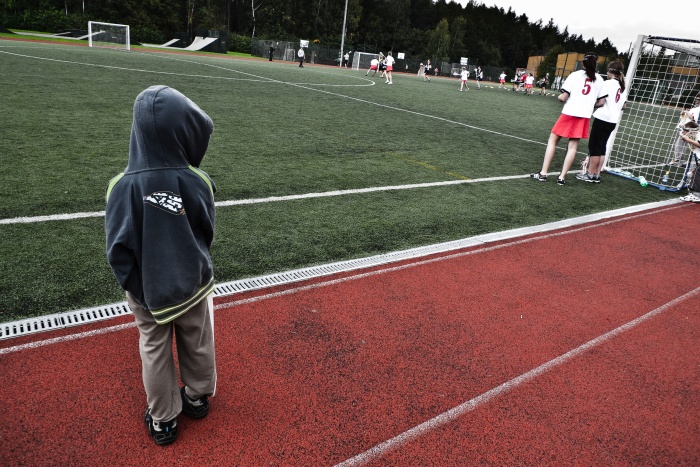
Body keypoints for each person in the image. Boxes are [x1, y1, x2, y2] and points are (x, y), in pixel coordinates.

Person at [105, 85, 218, 446]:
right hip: (192, 285)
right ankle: (197, 397)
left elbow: (117, 249)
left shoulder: (120, 187)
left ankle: (163, 419)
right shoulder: (197, 180)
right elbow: (206, 230)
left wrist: (137, 288)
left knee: (153, 348)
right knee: (197, 340)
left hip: (147, 290)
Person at [531, 52, 607, 185]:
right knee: (573, 147)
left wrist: (559, 98)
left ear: (583, 63)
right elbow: (601, 102)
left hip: (569, 112)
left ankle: (543, 173)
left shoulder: (575, 75)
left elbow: (563, 97)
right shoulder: (600, 79)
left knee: (552, 141)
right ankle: (562, 178)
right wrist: (588, 105)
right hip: (584, 116)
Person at [576, 61, 627, 183]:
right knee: (602, 147)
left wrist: (590, 106)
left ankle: (590, 174)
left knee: (594, 147)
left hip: (602, 118)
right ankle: (597, 175)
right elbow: (624, 106)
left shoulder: (607, 83)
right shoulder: (622, 86)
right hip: (613, 121)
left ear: (610, 71)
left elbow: (601, 102)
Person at [667, 94, 700, 165]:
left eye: (698, 100)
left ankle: (678, 160)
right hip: (687, 129)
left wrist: (688, 114)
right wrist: (684, 114)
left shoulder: (698, 110)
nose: (696, 101)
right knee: (681, 145)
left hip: (692, 130)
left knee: (681, 144)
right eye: (696, 99)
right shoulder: (694, 109)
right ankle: (678, 160)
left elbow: (694, 120)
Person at [680, 121, 700, 202]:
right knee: (696, 171)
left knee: (697, 172)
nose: (683, 132)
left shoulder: (698, 135)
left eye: (685, 130)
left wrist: (688, 140)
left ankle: (697, 195)